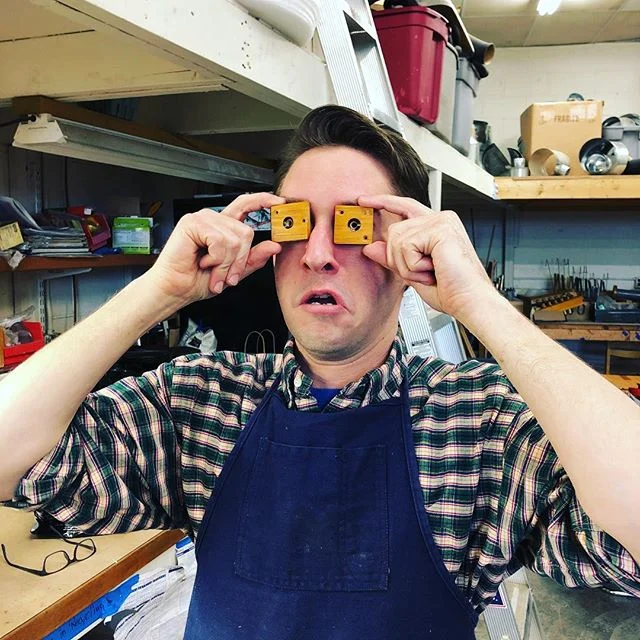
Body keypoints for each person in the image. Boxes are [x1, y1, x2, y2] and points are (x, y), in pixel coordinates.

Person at [1, 105, 639, 639]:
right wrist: (157, 293)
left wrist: (482, 305)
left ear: (408, 251)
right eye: (297, 222)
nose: (321, 255)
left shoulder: (478, 421)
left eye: (355, 226)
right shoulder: (200, 402)